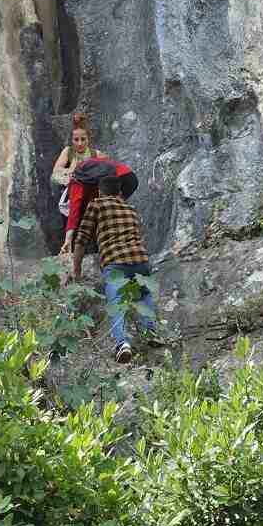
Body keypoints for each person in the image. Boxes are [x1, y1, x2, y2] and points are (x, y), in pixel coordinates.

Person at [71, 172, 157, 363]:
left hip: (115, 261)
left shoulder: (97, 204)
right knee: (144, 295)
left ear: (100, 192)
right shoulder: (131, 208)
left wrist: (76, 269)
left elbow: (83, 237)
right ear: (119, 192)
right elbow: (139, 235)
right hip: (140, 259)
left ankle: (122, 343)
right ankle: (151, 333)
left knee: (116, 301)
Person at [62, 155, 137, 254]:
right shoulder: (88, 170)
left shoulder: (76, 180)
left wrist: (68, 239)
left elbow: (74, 211)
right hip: (129, 176)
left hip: (119, 177)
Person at [51, 113, 99, 246]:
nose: (80, 143)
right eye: (76, 139)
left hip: (91, 192)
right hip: (73, 190)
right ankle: (68, 243)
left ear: (88, 139)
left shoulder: (96, 154)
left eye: (83, 139)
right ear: (72, 140)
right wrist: (72, 170)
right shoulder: (68, 152)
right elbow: (56, 171)